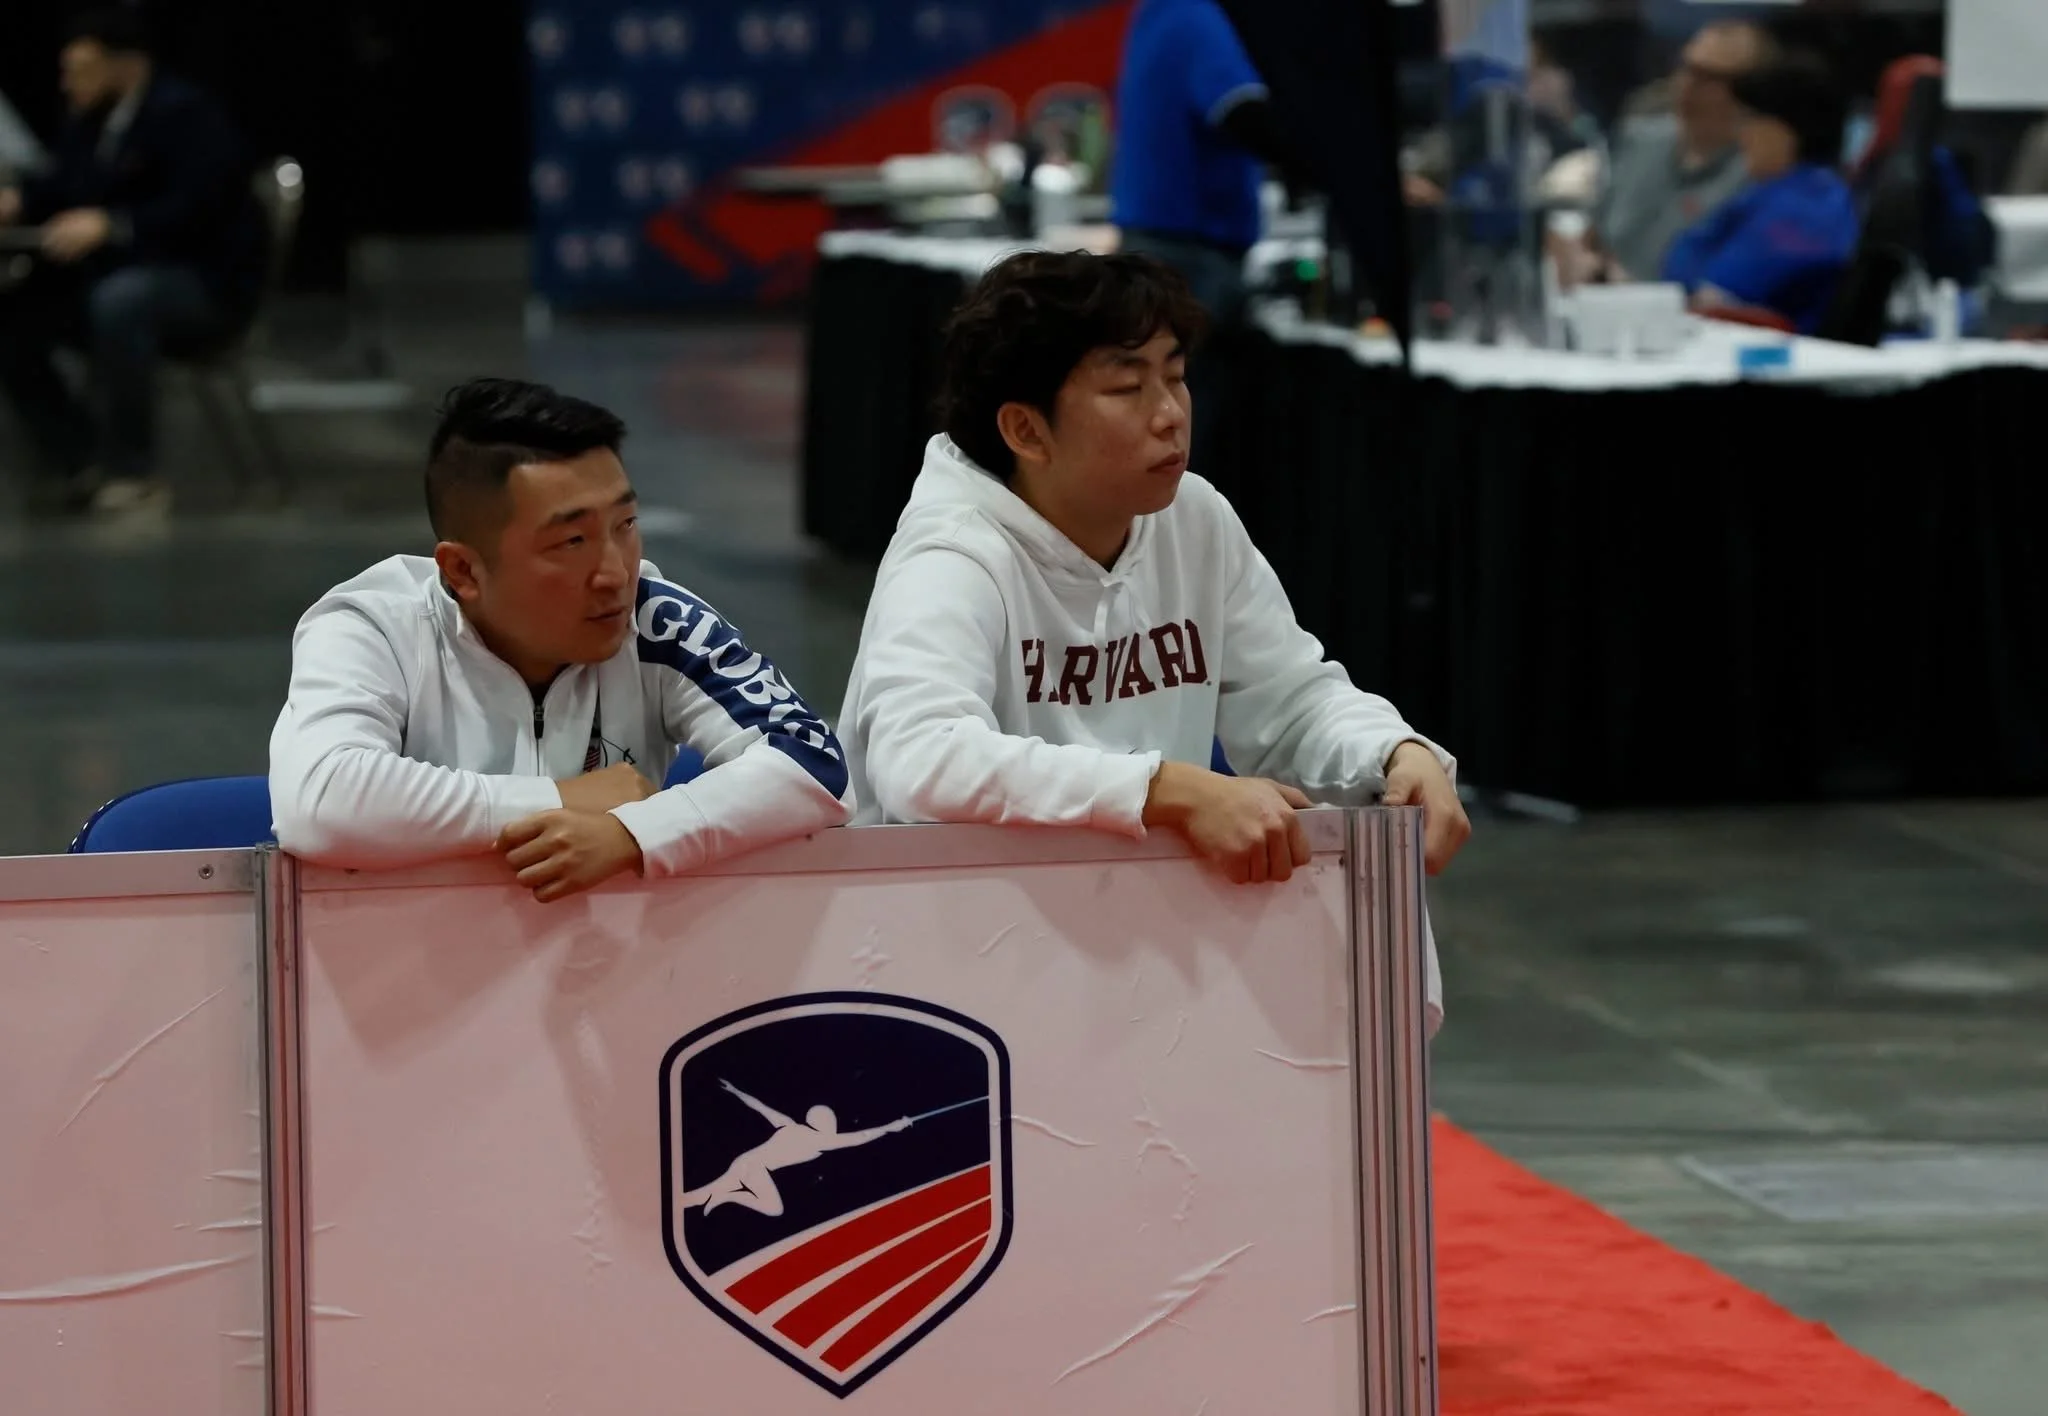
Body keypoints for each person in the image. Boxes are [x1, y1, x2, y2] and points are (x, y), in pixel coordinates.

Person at [838, 252, 1467, 1026]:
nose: (1170, 413)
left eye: (1176, 376)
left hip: (1133, 939)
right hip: (951, 970)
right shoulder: (952, 557)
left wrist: (1394, 753)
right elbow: (921, 761)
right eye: (1127, 388)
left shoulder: (1194, 519)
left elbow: (1293, 701)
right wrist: (1170, 790)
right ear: (1026, 429)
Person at [269, 379, 854, 902]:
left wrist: (634, 832)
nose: (615, 573)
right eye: (572, 542)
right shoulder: (373, 626)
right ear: (463, 571)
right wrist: (561, 797)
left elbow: (816, 767)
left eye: (625, 525)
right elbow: (320, 804)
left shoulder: (653, 617)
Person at [0, 9, 267, 517]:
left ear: (125, 63)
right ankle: (79, 459)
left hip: (205, 284)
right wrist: (19, 202)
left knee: (122, 301)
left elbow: (199, 207)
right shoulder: (93, 119)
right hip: (118, 280)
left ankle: (133, 472)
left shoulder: (186, 114)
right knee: (15, 314)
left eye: (81, 68)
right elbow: (65, 182)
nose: (68, 82)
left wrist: (113, 225)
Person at [1662, 50, 1858, 335]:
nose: (1739, 134)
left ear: (1782, 131)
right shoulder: (1774, 194)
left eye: (1747, 119)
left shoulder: (1802, 211)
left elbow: (1714, 303)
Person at [1575, 22, 1776, 286]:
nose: (1687, 85)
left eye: (1708, 77)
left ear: (1751, 90)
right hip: (1604, 302)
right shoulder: (1639, 140)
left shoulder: (1758, 170)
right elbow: (1591, 239)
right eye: (1686, 68)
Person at [683, 1080, 913, 1219]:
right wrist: (892, 1127)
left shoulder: (789, 1124)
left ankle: (711, 1197)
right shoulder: (819, 1140)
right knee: (774, 1209)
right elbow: (860, 1137)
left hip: (744, 1162)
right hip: (753, 1168)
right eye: (831, 1120)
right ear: (825, 1123)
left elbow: (760, 1107)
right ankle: (726, 1197)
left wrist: (735, 1091)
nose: (834, 1126)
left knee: (696, 1197)